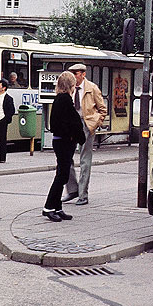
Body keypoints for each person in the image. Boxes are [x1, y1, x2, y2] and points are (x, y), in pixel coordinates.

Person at [61, 64, 107, 206]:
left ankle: (83, 194)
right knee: (66, 157)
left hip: (86, 124)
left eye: (76, 73)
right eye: (72, 73)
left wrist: (95, 122)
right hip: (71, 124)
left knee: (84, 160)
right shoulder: (69, 88)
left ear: (83, 74)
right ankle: (73, 189)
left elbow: (102, 109)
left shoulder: (92, 88)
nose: (74, 75)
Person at [43, 71, 85, 222]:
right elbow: (68, 122)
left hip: (62, 140)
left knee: (63, 174)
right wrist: (76, 135)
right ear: (70, 85)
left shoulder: (61, 99)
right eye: (73, 84)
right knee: (62, 176)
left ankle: (57, 207)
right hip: (63, 141)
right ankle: (48, 207)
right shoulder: (64, 100)